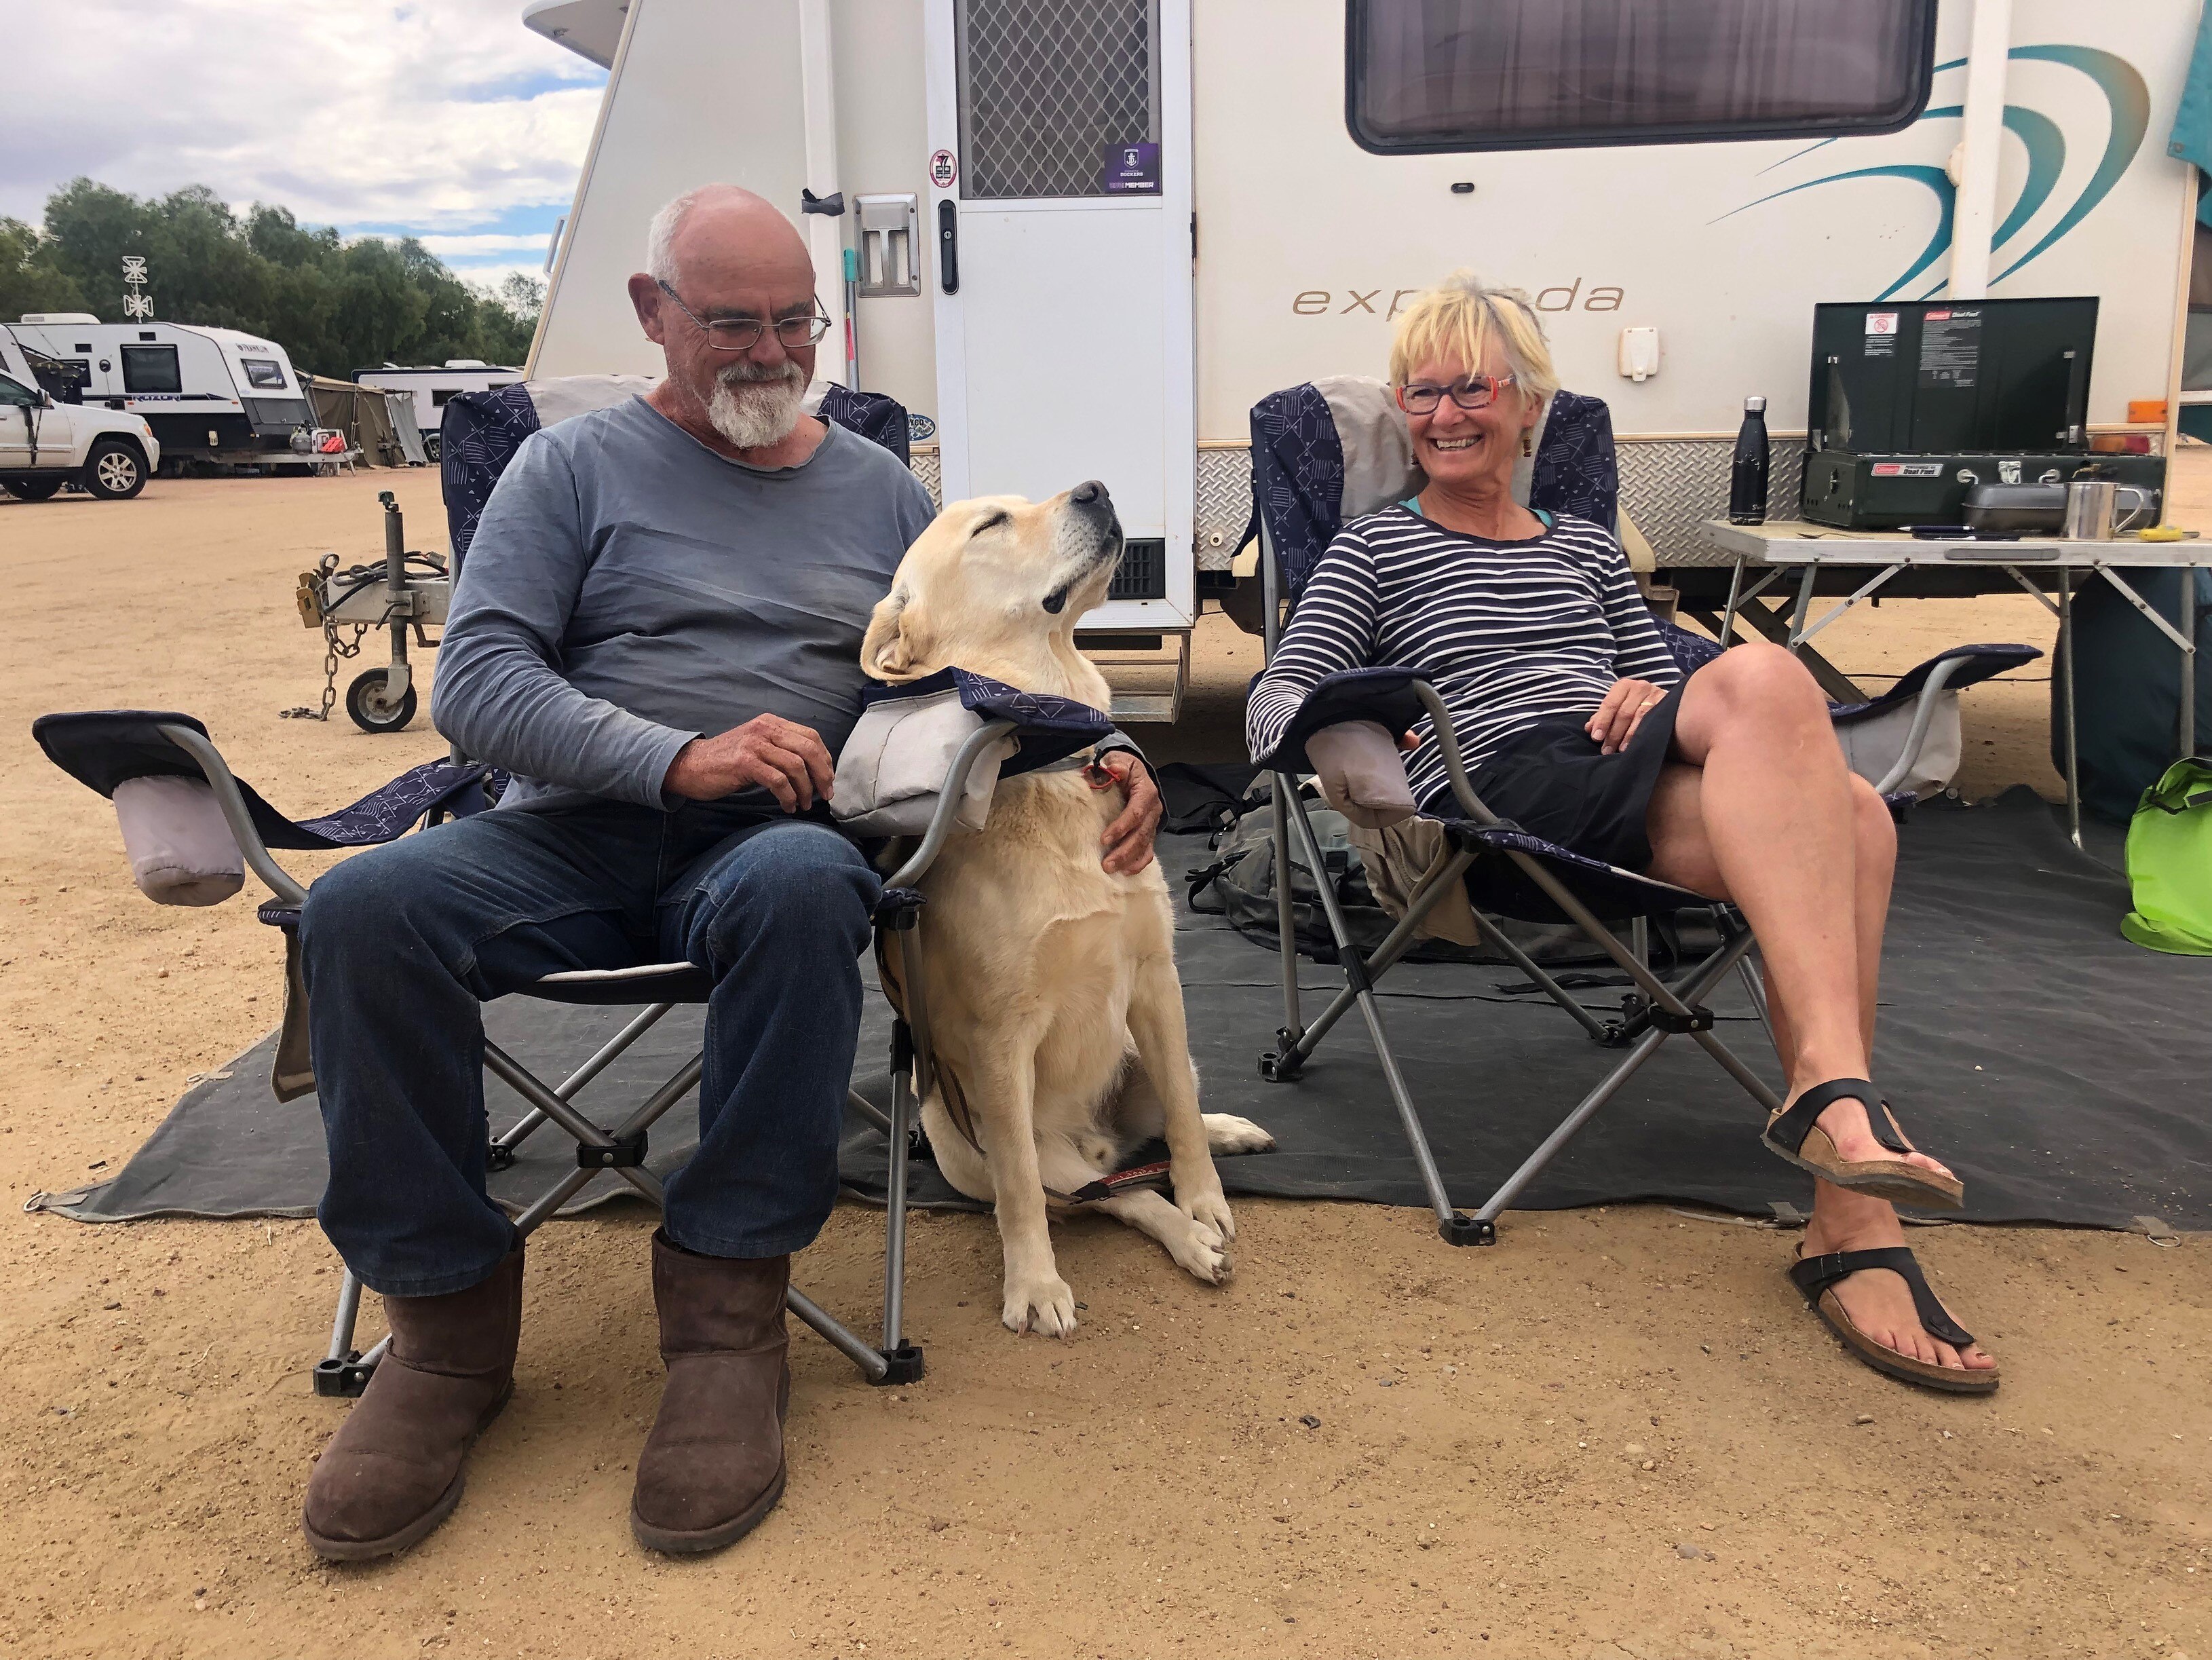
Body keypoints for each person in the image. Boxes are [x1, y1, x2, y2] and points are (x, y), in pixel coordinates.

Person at [294, 185, 1164, 1562]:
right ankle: (444, 1330)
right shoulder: (569, 471)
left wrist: (1095, 743)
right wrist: (672, 755)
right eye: (729, 323)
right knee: (356, 911)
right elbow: (476, 678)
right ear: (652, 315)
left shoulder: (880, 488)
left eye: (792, 322)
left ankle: (726, 1313)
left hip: (770, 846)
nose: (769, 354)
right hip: (566, 830)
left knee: (807, 884)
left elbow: (989, 642)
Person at [1246, 273, 1999, 1395]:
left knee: (1850, 815)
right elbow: (1277, 695)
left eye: (1472, 387)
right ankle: (1846, 1145)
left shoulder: (1587, 548)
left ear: (1531, 405)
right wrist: (1364, 748)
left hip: (1624, 776)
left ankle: (1842, 1201)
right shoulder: (1372, 550)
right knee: (1776, 691)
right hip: (1498, 788)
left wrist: (1651, 691)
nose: (1445, 414)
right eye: (1421, 391)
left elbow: (1660, 682)